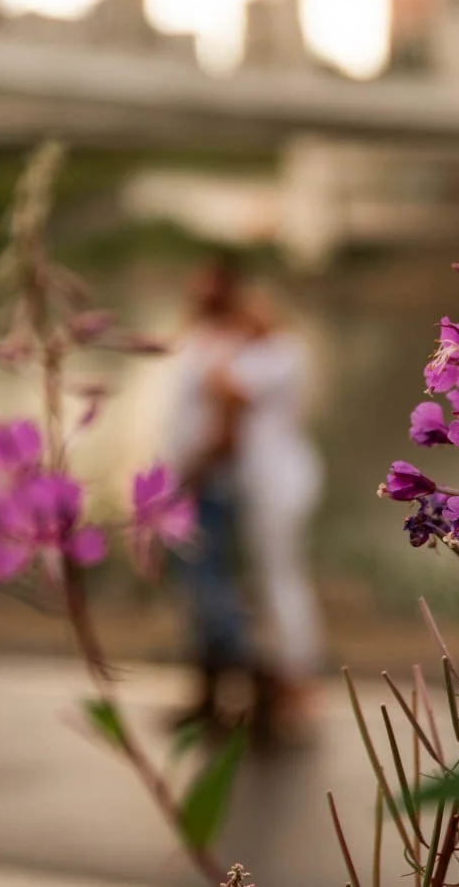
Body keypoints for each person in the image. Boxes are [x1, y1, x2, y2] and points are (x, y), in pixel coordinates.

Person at [162, 253, 326, 745]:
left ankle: (287, 691)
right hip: (245, 485)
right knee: (250, 583)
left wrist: (189, 471)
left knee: (274, 581)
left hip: (268, 483)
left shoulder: (276, 353)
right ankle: (258, 695)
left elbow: (228, 405)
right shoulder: (232, 347)